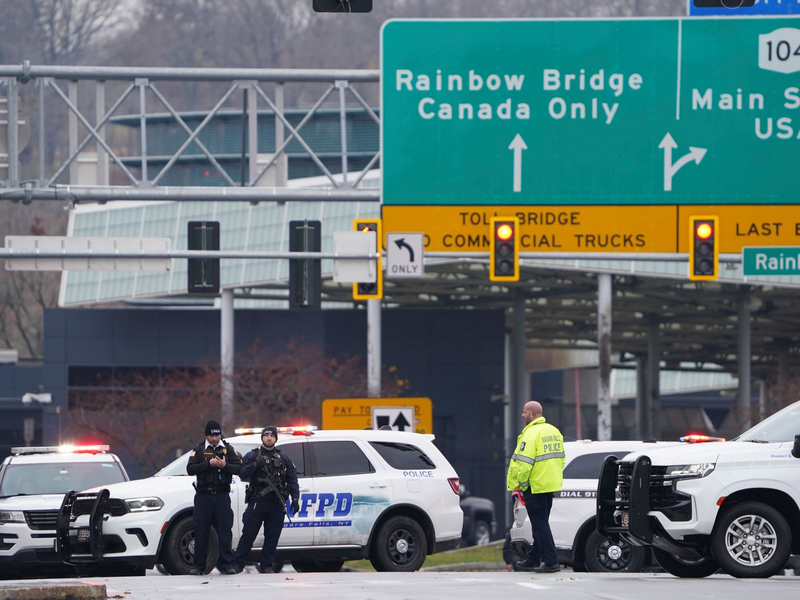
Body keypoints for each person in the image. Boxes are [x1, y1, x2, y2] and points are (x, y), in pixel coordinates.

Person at [506, 401, 565, 573]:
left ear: (533, 415)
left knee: (540, 526)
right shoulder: (554, 431)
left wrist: (523, 486)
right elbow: (561, 459)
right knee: (541, 524)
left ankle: (552, 562)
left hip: (534, 486)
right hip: (549, 485)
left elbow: (524, 464)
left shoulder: (531, 434)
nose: (522, 415)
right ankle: (533, 559)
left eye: (524, 412)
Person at [233, 426, 300, 574]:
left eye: (272, 436)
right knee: (249, 534)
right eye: (266, 435)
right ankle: (238, 564)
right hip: (258, 501)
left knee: (272, 536)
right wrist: (256, 465)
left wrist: (295, 498)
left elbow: (292, 478)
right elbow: (242, 474)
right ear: (262, 438)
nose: (269, 438)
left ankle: (266, 565)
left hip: (276, 503)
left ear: (276, 438)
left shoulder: (284, 458)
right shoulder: (252, 455)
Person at [186, 419, 242, 576]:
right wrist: (208, 464)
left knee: (225, 530)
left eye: (217, 436)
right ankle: (199, 566)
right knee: (201, 531)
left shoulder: (228, 450)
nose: (215, 439)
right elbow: (190, 469)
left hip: (222, 495)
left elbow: (239, 468)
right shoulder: (198, 450)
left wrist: (225, 466)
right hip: (203, 496)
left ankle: (227, 565)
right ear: (206, 435)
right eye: (211, 436)